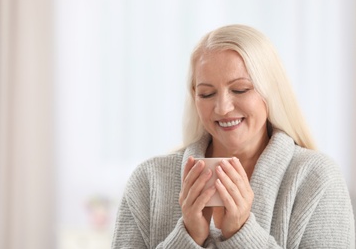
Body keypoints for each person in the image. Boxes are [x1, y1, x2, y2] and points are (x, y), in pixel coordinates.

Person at [111, 24, 355, 248]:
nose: (222, 108)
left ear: (271, 92)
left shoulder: (317, 179)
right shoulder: (148, 181)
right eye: (207, 94)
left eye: (240, 89)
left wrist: (242, 234)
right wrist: (187, 236)